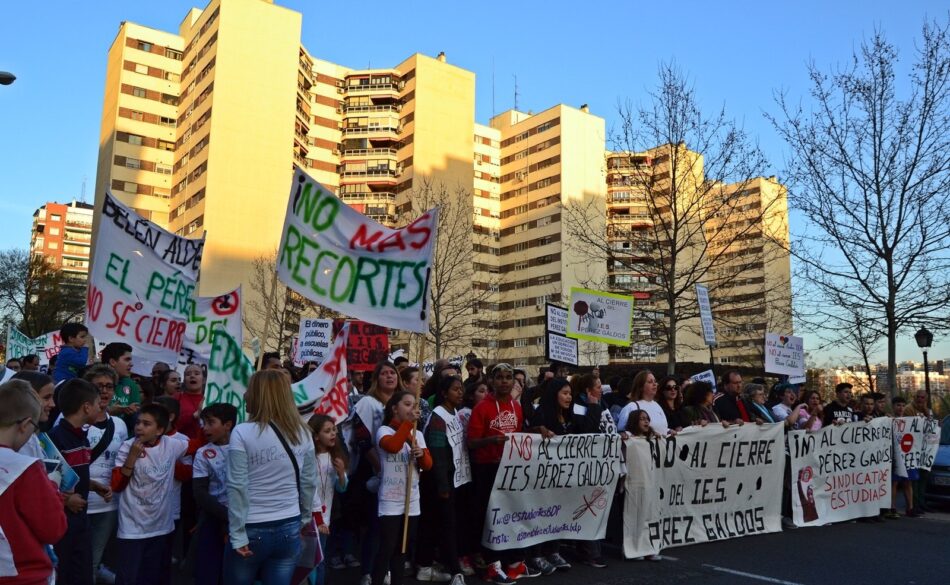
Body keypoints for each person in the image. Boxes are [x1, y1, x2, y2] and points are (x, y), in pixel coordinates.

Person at [225, 370, 317, 585]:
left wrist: (237, 534)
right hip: (289, 525)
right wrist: (303, 518)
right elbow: (309, 483)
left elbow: (237, 486)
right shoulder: (303, 433)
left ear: (259, 395)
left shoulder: (242, 432)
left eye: (249, 390)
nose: (245, 394)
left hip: (251, 527)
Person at [467, 363, 536, 584]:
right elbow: (471, 443)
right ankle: (491, 565)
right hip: (487, 468)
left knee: (511, 514)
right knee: (490, 517)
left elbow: (519, 435)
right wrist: (491, 440)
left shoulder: (516, 407)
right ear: (491, 381)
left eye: (508, 377)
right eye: (500, 378)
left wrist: (539, 432)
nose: (505, 381)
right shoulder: (482, 409)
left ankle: (513, 562)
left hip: (510, 468)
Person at [110, 403, 188, 585]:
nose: (139, 427)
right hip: (132, 529)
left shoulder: (171, 444)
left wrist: (198, 417)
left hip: (160, 527)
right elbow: (117, 485)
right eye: (138, 423)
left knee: (152, 577)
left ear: (160, 429)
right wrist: (131, 457)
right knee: (128, 578)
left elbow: (196, 445)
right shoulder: (127, 446)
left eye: (146, 424)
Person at [0, 380, 68, 584]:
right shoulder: (26, 468)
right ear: (25, 424)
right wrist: (53, 487)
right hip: (23, 575)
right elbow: (53, 529)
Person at [49, 378, 107, 585]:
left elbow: (73, 475)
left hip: (81, 521)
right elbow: (47, 484)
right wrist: (65, 500)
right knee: (62, 575)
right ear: (86, 406)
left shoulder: (81, 437)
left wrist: (92, 485)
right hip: (63, 523)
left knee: (81, 575)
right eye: (99, 404)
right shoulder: (55, 438)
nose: (101, 409)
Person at [349, 362, 402, 585]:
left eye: (393, 372)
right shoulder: (367, 403)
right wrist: (381, 470)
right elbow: (362, 439)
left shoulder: (404, 403)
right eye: (384, 373)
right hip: (374, 471)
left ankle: (388, 568)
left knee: (394, 527)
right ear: (376, 379)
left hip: (400, 473)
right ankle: (368, 571)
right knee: (375, 524)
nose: (389, 376)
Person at [372, 391, 432, 585]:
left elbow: (428, 465)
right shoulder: (384, 431)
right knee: (387, 548)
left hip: (412, 500)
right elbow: (393, 446)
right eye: (407, 404)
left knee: (402, 549)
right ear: (394, 408)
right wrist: (407, 426)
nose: (412, 409)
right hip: (391, 500)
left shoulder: (418, 434)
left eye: (414, 405)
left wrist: (420, 454)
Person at [417, 376, 469, 584]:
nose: (460, 393)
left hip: (451, 478)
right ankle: (454, 569)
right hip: (439, 480)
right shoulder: (438, 417)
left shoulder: (454, 413)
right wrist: (443, 485)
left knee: (435, 523)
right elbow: (437, 453)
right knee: (445, 524)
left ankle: (426, 563)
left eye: (462, 389)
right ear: (444, 393)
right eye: (456, 389)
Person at [82, 365, 129, 585]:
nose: (104, 391)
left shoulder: (119, 425)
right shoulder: (74, 420)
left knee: (92, 561)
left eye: (109, 386)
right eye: (98, 386)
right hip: (77, 502)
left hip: (108, 505)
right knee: (71, 560)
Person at [192, 403, 238, 585]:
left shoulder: (244, 447)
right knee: (208, 570)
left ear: (227, 425)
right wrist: (227, 515)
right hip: (213, 517)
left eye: (211, 423)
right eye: (204, 423)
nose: (205, 428)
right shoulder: (203, 453)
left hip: (244, 517)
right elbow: (200, 492)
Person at [307, 414, 349, 585]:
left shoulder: (335, 457)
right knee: (308, 560)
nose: (333, 434)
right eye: (327, 431)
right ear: (316, 436)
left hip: (326, 516)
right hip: (310, 518)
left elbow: (342, 488)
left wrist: (341, 474)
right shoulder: (308, 457)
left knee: (320, 559)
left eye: (334, 430)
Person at [885, 396, 919, 519]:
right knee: (894, 482)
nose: (901, 408)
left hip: (907, 456)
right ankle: (892, 508)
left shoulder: (910, 421)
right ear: (893, 406)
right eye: (898, 405)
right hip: (894, 456)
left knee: (907, 482)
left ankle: (910, 508)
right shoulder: (888, 420)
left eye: (903, 405)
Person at [10, 371, 55, 457]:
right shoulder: (23, 442)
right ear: (26, 399)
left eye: (52, 397)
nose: (53, 404)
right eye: (46, 398)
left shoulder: (31, 436)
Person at [617, 370, 669, 436]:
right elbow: (622, 432)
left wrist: (669, 431)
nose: (654, 384)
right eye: (650, 382)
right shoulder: (631, 407)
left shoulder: (657, 405)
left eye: (655, 381)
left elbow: (660, 427)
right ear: (641, 387)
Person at [102, 343, 140, 426]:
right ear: (112, 362)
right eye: (127, 359)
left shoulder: (131, 384)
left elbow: (137, 417)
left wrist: (131, 411)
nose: (131, 364)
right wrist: (108, 411)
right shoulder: (93, 383)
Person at [175, 364, 206, 441]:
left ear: (204, 380)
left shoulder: (209, 399)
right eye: (188, 374)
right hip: (180, 445)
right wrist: (193, 416)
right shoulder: (177, 397)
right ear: (184, 380)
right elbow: (170, 424)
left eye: (197, 373)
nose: (192, 376)